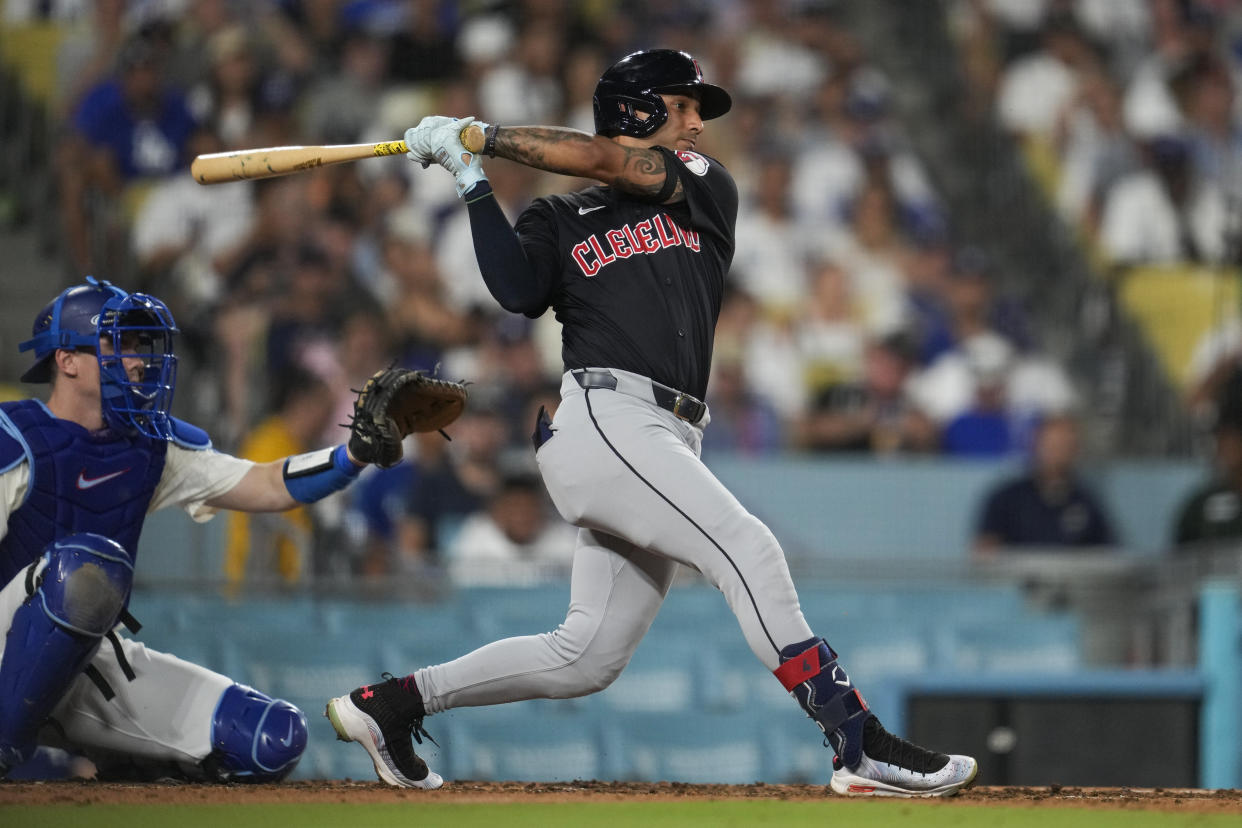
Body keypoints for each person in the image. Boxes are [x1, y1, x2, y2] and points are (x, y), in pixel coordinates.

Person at [326, 49, 978, 797]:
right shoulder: (556, 214)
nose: (698, 122)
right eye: (684, 106)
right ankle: (857, 743)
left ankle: (392, 706)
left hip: (664, 433)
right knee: (748, 549)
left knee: (586, 656)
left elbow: (605, 159)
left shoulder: (702, 185)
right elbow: (515, 291)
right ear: (637, 109)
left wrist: (484, 138)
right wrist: (471, 183)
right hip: (607, 417)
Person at [0, 277, 383, 781]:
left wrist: (354, 453)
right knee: (84, 569)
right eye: (117, 342)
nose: (136, 358)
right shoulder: (14, 436)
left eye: (139, 344)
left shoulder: (150, 446)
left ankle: (111, 765)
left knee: (271, 739)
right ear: (66, 361)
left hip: (87, 655)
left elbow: (265, 484)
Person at [974, 414, 1117, 555]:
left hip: (1072, 577)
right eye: (1052, 445)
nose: (1059, 453)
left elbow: (1109, 551)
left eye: (1066, 446)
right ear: (1035, 446)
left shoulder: (1086, 500)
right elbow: (985, 551)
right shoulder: (1007, 498)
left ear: (1075, 450)